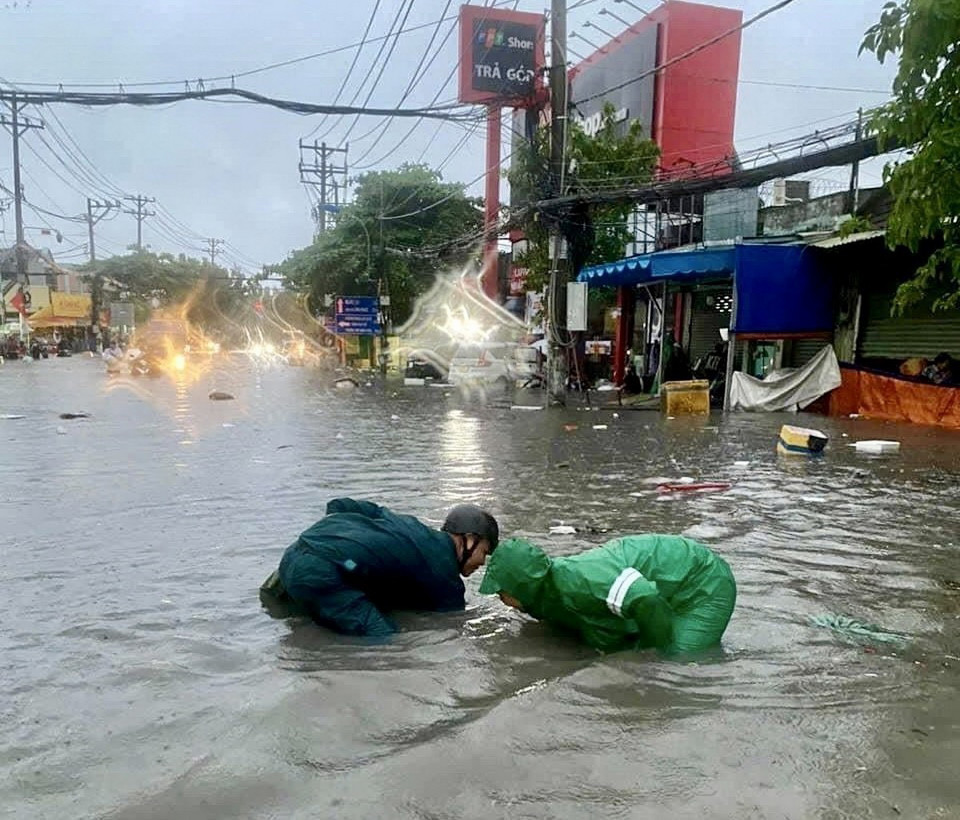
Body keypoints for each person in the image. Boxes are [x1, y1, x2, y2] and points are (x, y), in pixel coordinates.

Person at [261, 498, 499, 637]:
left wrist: (343, 545)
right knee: (386, 641)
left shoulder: (408, 526)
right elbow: (453, 624)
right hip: (318, 572)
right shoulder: (445, 575)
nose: (482, 562)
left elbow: (338, 505)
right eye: (484, 552)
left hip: (291, 557)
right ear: (469, 539)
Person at [478, 534, 736, 654]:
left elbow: (645, 597)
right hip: (665, 583)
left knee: (670, 661)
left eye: (503, 591)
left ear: (522, 586)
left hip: (703, 582)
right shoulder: (549, 593)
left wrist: (647, 652)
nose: (501, 599)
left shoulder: (583, 580)